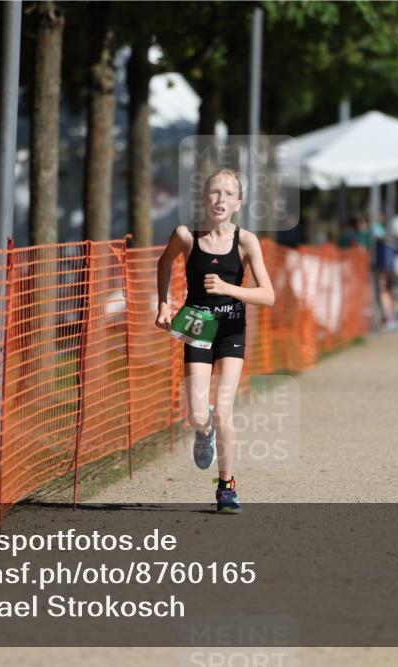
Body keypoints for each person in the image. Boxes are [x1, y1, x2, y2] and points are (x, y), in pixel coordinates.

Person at [155, 169, 275, 514]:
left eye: (228, 194)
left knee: (224, 409)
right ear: (203, 198)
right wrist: (164, 303)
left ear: (239, 203)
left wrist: (227, 289)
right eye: (214, 193)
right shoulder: (186, 236)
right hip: (198, 323)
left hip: (232, 326)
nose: (220, 200)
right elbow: (164, 265)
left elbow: (268, 295)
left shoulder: (246, 241)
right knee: (196, 414)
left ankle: (226, 487)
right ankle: (202, 429)